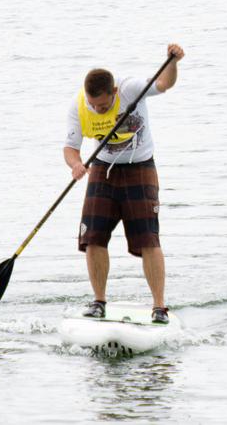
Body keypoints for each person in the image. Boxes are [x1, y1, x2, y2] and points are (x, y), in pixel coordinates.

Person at [63, 43, 185, 324]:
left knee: (148, 239)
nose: (97, 109)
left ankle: (158, 306)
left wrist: (173, 62)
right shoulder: (79, 104)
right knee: (93, 237)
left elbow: (165, 83)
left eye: (103, 105)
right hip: (102, 170)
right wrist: (77, 165)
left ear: (114, 92)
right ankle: (98, 302)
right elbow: (70, 148)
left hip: (140, 168)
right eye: (93, 105)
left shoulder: (130, 88)